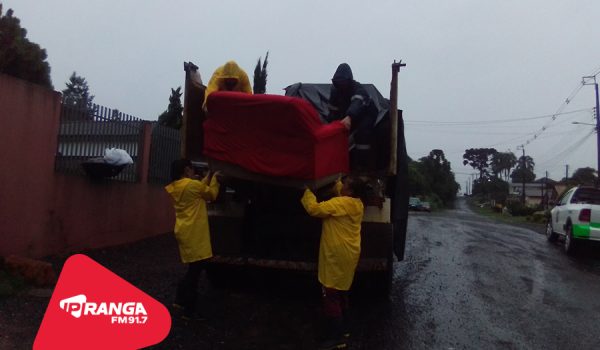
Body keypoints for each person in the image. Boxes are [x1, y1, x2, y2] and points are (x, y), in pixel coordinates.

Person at [300, 177, 366, 350]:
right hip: (349, 253)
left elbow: (314, 209)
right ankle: (345, 330)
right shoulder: (357, 203)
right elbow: (339, 190)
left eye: (345, 184)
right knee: (341, 291)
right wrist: (334, 178)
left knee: (330, 293)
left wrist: (307, 191)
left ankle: (336, 338)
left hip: (336, 254)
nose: (342, 185)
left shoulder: (340, 203)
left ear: (350, 191)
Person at [164, 159, 220, 320]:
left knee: (193, 268)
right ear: (186, 170)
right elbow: (211, 194)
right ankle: (189, 311)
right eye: (191, 169)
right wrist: (215, 177)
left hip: (184, 231)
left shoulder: (177, 187)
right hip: (195, 233)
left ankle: (179, 301)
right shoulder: (192, 185)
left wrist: (208, 175)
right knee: (195, 273)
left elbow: (198, 189)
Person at [327, 63, 378, 170]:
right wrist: (330, 128)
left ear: (349, 80)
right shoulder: (335, 92)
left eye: (343, 81)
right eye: (339, 82)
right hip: (348, 116)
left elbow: (357, 103)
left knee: (362, 133)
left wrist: (349, 117)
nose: (341, 84)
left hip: (366, 114)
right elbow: (332, 112)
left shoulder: (358, 89)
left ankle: (363, 166)